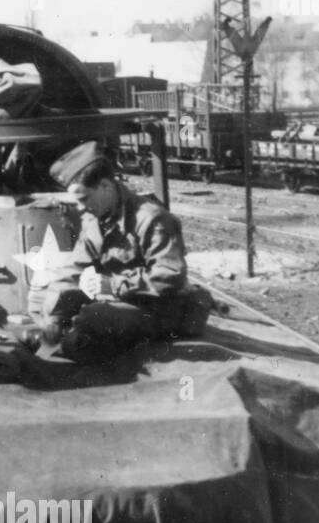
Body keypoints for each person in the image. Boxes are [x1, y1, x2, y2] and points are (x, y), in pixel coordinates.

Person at [41, 141, 211, 362]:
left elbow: (170, 276)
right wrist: (53, 314)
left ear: (105, 186)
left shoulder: (151, 219)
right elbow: (75, 270)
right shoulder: (94, 220)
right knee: (51, 301)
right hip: (127, 304)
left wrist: (113, 284)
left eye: (84, 199)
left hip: (166, 310)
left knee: (93, 321)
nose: (81, 207)